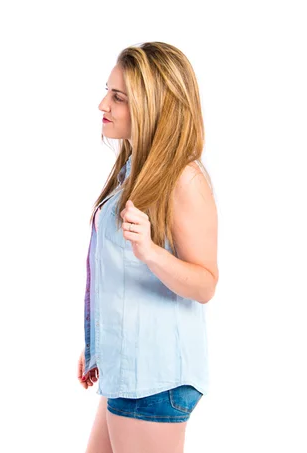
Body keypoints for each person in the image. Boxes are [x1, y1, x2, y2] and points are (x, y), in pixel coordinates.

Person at [77, 42, 218, 453]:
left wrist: (152, 252)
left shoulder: (183, 178)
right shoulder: (133, 169)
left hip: (154, 380)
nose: (103, 103)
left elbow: (205, 284)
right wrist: (96, 344)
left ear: (152, 104)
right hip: (129, 371)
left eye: (118, 97)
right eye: (108, 91)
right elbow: (117, 277)